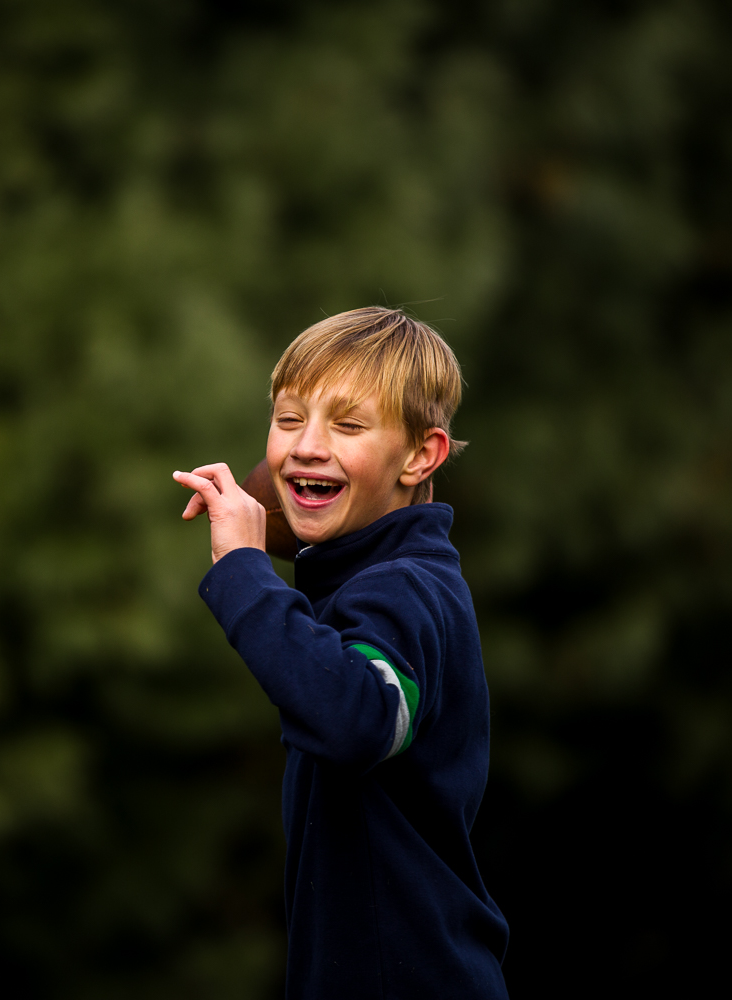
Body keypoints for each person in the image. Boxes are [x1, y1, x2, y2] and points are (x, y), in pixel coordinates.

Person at [172, 306, 508, 999]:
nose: (306, 446)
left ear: (421, 456)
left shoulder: (407, 591)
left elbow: (356, 717)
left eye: (348, 425)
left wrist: (241, 567)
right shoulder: (367, 578)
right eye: (290, 420)